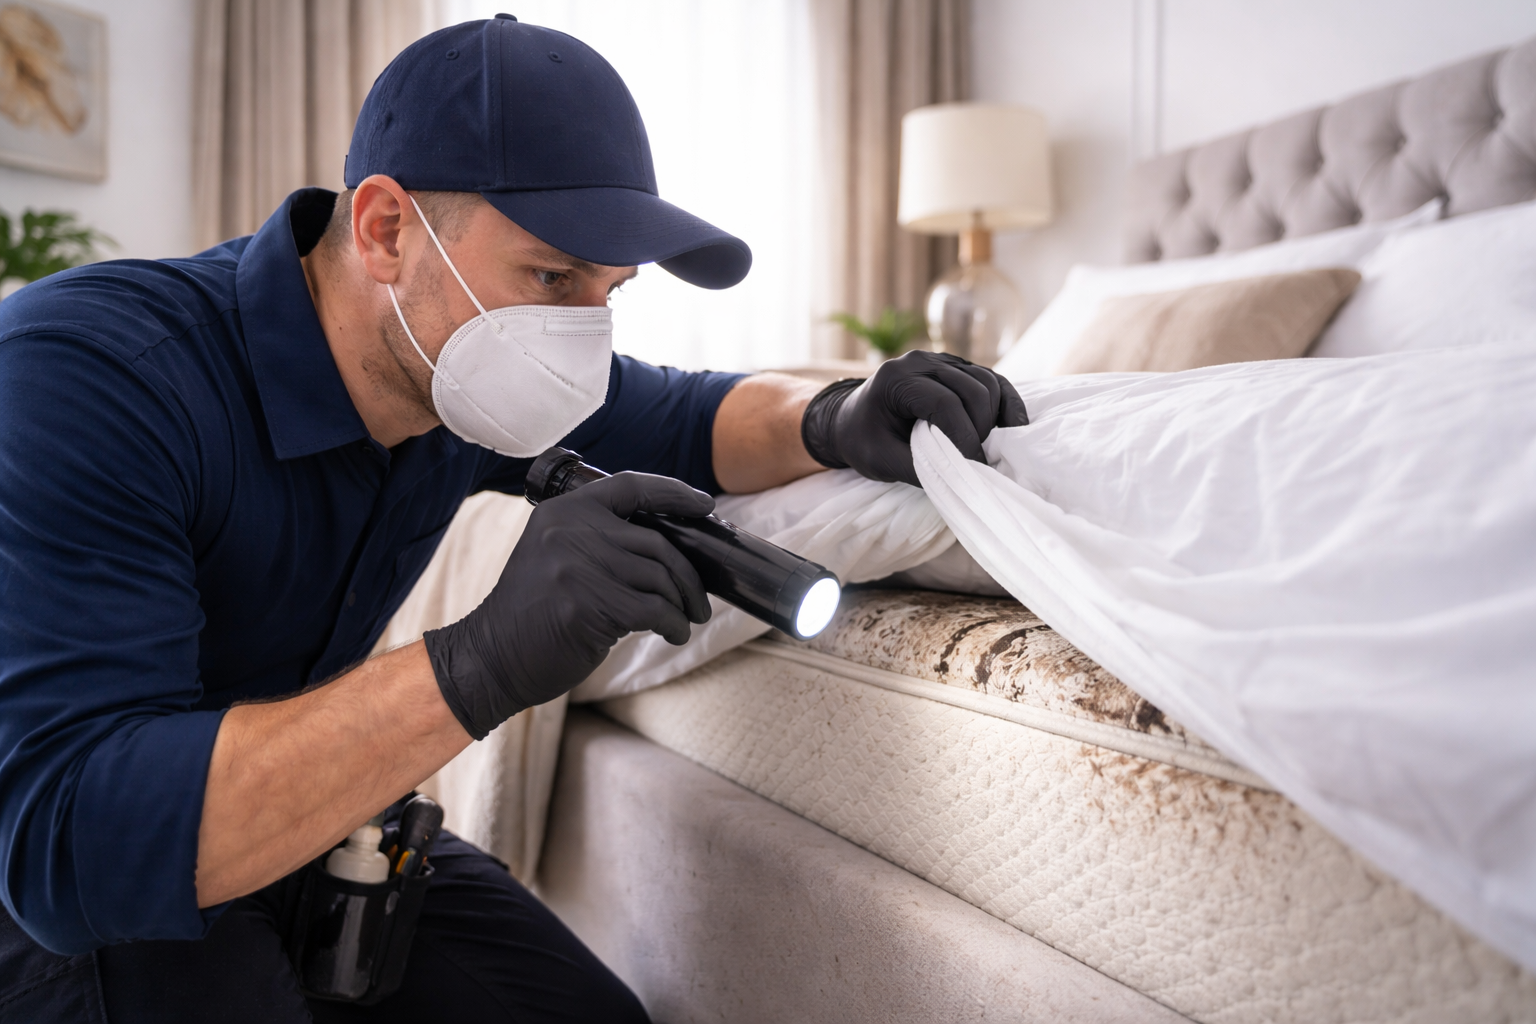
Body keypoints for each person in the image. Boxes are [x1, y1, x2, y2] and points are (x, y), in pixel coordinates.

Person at [0, 15, 1026, 1023]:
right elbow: (69, 845)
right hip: (75, 880)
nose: (580, 336)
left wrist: (836, 414)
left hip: (302, 821)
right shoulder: (91, 381)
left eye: (610, 290)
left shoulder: (461, 369)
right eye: (551, 276)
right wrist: (480, 659)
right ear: (386, 229)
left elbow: (683, 414)